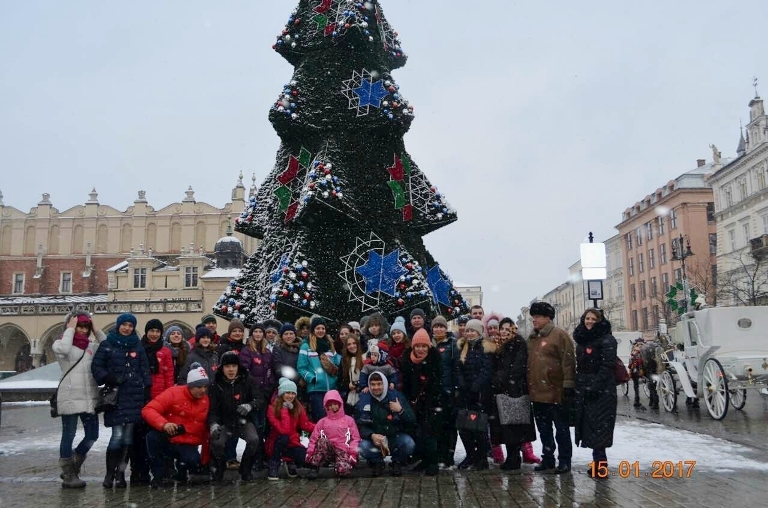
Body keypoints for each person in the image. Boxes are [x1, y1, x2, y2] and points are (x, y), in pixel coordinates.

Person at [91, 313, 152, 488]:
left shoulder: (137, 345)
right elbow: (96, 366)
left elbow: (144, 369)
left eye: (130, 325)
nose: (127, 328)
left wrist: (145, 388)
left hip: (134, 397)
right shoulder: (107, 343)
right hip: (115, 397)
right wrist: (109, 377)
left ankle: (120, 473)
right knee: (117, 436)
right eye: (124, 325)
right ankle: (110, 473)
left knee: (128, 437)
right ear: (118, 326)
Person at [52, 312, 106, 488]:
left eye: (86, 327)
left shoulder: (91, 346)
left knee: (93, 434)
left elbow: (107, 347)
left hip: (89, 395)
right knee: (69, 434)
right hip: (69, 395)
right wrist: (69, 329)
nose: (83, 330)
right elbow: (64, 349)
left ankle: (73, 463)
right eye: (80, 327)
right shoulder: (60, 343)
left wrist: (97, 329)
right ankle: (69, 475)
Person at [141, 367, 211, 488]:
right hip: (169, 436)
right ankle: (160, 475)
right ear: (190, 386)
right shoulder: (173, 393)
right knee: (152, 437)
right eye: (199, 387)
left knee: (192, 460)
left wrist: (184, 428)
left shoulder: (206, 401)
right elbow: (148, 410)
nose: (203, 390)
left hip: (188, 441)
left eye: (205, 387)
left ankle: (182, 471)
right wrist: (164, 424)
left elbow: (201, 426)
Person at [527, 301, 576, 474]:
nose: (534, 320)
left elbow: (568, 362)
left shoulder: (559, 335)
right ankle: (548, 459)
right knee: (544, 430)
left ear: (548, 318)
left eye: (538, 317)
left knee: (561, 430)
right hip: (537, 394)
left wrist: (568, 384)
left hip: (556, 392)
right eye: (533, 317)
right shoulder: (532, 338)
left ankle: (564, 461)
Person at [573, 309, 618, 478]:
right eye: (587, 318)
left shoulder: (607, 339)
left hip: (603, 391)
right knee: (591, 428)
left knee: (600, 428)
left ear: (599, 321)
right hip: (586, 389)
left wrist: (595, 386)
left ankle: (601, 467)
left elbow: (607, 366)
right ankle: (597, 464)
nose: (589, 321)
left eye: (593, 319)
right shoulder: (583, 340)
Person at [208, 351, 265, 482]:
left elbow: (260, 399)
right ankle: (219, 468)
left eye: (234, 366)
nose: (231, 369)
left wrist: (250, 406)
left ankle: (246, 469)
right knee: (217, 442)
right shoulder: (215, 384)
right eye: (227, 366)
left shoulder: (247, 380)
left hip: (243, 422)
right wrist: (213, 424)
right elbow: (212, 410)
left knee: (254, 439)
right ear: (222, 368)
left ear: (238, 367)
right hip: (224, 423)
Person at [131, 319, 175, 485]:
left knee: (157, 437)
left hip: (159, 400)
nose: (154, 334)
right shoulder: (138, 348)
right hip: (142, 397)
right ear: (146, 331)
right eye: (152, 331)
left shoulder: (165, 351)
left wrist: (168, 397)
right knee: (139, 437)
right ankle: (140, 471)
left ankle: (160, 472)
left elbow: (169, 375)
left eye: (157, 331)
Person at [491, 317, 537, 470]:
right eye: (502, 328)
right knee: (507, 426)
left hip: (515, 391)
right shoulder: (500, 345)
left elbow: (517, 367)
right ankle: (512, 457)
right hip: (504, 392)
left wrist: (501, 379)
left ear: (512, 329)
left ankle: (514, 458)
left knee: (514, 426)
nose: (504, 331)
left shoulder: (518, 343)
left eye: (506, 328)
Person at [354, 372, 416, 477]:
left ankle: (396, 462)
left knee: (408, 443)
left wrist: (400, 410)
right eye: (373, 384)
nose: (376, 387)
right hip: (375, 440)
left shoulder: (396, 397)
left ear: (385, 384)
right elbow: (359, 425)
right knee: (362, 446)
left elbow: (412, 420)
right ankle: (378, 463)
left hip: (394, 437)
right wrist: (371, 435)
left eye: (379, 384)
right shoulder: (364, 400)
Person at [399, 328, 443, 476]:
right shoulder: (406, 360)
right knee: (418, 433)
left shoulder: (434, 359)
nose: (421, 349)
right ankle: (423, 460)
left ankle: (432, 462)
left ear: (428, 346)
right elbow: (405, 383)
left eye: (424, 346)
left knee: (430, 434)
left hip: (432, 402)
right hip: (413, 403)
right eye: (418, 346)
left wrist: (432, 400)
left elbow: (438, 383)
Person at [455, 319, 494, 471]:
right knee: (464, 428)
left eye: (473, 331)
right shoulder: (461, 347)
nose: (470, 333)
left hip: (480, 395)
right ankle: (470, 454)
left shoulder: (485, 347)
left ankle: (482, 457)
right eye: (468, 331)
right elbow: (458, 368)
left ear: (479, 332)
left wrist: (476, 387)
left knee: (480, 428)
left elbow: (487, 370)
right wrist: (462, 384)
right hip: (464, 394)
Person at [265, 378, 316, 481]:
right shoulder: (272, 408)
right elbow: (284, 430)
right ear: (281, 394)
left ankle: (290, 461)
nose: (290, 396)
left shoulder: (297, 407)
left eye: (293, 393)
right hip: (276, 444)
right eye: (287, 392)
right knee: (284, 438)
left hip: (293, 443)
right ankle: (274, 464)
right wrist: (284, 410)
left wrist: (322, 427)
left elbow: (305, 424)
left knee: (308, 460)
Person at [305, 390, 361, 479]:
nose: (333, 407)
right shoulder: (322, 422)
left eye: (335, 404)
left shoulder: (349, 420)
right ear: (326, 407)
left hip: (343, 451)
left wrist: (353, 454)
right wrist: (310, 452)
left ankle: (341, 466)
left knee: (343, 471)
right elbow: (313, 439)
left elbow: (355, 438)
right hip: (328, 450)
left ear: (340, 404)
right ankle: (314, 467)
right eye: (330, 405)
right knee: (322, 441)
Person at [297, 316, 341, 422]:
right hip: (316, 390)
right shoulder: (306, 346)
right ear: (313, 330)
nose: (321, 331)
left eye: (323, 328)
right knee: (321, 419)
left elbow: (338, 362)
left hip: (332, 388)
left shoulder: (330, 345)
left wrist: (336, 376)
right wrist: (312, 378)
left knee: (334, 419)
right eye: (318, 328)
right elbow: (301, 367)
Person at [432, 315, 460, 468]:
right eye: (436, 326)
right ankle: (439, 454)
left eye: (441, 326)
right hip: (434, 392)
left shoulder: (452, 344)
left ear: (446, 328)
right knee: (438, 425)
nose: (438, 329)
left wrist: (455, 388)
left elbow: (456, 368)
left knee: (450, 426)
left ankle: (449, 455)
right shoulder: (430, 344)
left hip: (448, 391)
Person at [339, 333, 364, 416]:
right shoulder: (344, 361)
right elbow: (340, 381)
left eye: (354, 343)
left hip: (363, 395)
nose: (352, 346)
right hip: (348, 397)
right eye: (349, 344)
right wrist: (348, 386)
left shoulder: (364, 358)